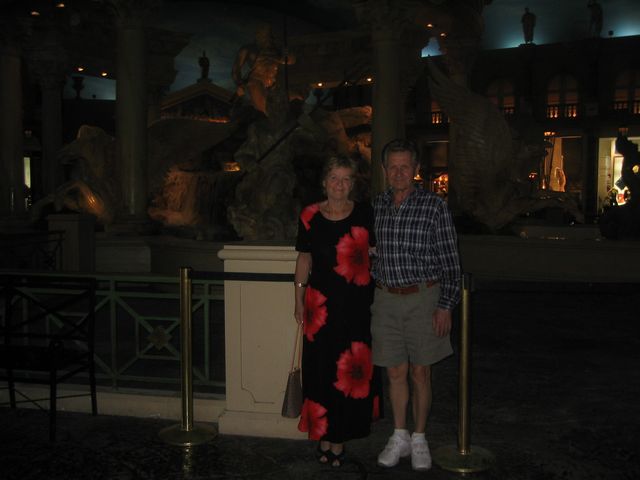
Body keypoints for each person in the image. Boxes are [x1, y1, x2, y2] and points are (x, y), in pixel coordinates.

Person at [371, 139, 461, 471]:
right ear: (384, 170)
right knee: (394, 371)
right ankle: (400, 435)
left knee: (421, 372)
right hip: (385, 298)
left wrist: (446, 305)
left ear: (416, 169)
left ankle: (420, 437)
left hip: (424, 298)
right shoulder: (375, 206)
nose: (398, 173)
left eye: (404, 166)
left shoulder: (434, 206)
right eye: (392, 167)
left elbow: (451, 260)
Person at [294, 155, 381, 468]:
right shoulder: (309, 215)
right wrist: (298, 299)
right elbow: (304, 259)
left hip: (356, 307)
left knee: (348, 374)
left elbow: (377, 251)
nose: (340, 184)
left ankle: (340, 437)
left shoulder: (365, 213)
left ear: (353, 183)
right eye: (334, 178)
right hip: (319, 308)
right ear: (324, 182)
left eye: (346, 179)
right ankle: (324, 434)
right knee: (320, 371)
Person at [232, 24, 294, 116]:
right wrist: (240, 84)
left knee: (293, 99)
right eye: (261, 33)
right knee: (264, 108)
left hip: (273, 84)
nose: (266, 37)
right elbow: (236, 69)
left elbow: (291, 60)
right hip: (255, 82)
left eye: (268, 34)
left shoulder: (276, 51)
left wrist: (287, 55)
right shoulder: (248, 49)